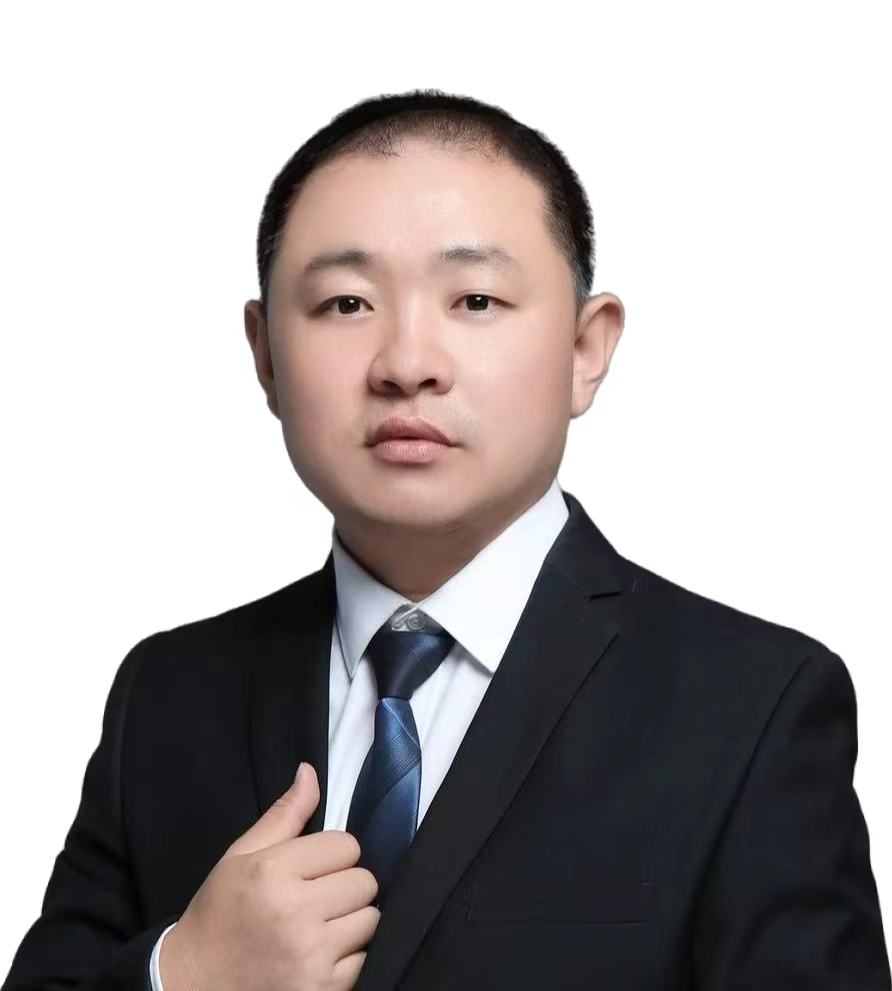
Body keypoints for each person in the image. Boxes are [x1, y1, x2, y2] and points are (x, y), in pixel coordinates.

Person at [3, 87, 890, 991]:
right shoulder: (167, 693)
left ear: (586, 349)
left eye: (475, 298)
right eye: (347, 303)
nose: (407, 364)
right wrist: (185, 973)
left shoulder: (752, 704)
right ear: (265, 354)